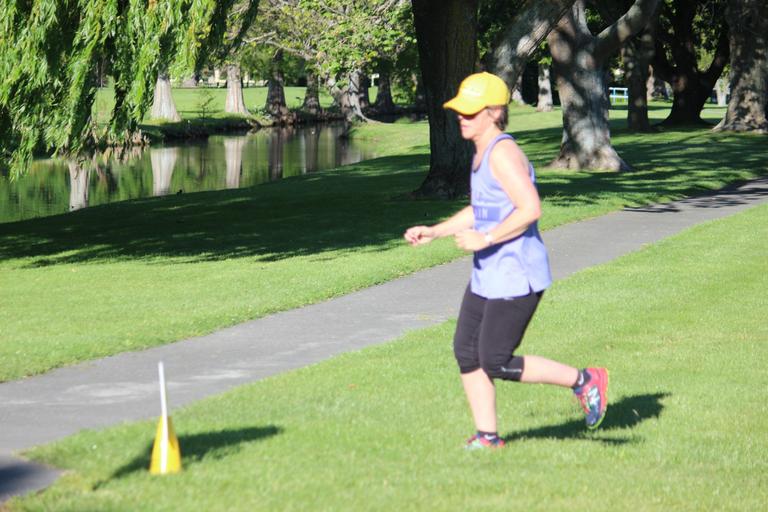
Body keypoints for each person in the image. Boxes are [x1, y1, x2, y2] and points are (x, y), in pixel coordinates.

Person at [404, 72, 608, 449]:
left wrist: (486, 238)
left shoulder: (501, 153)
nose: (462, 117)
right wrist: (436, 231)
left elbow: (530, 208)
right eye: (460, 110)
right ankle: (487, 436)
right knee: (466, 351)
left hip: (517, 274)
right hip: (489, 272)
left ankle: (585, 380)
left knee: (495, 359)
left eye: (471, 111)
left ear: (495, 112)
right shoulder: (482, 152)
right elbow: (481, 208)